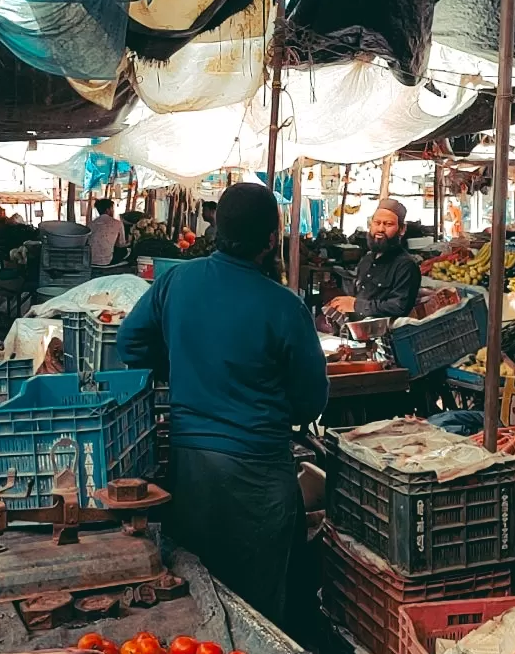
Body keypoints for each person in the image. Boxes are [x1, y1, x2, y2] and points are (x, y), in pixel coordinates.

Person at [116, 182, 328, 626]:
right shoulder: (285, 307)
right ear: (271, 240)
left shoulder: (176, 281)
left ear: (215, 226)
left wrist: (180, 367)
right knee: (261, 612)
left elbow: (130, 342)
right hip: (259, 475)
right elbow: (311, 402)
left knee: (198, 599)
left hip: (191, 469)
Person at [327, 199, 422, 320]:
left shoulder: (406, 266)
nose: (381, 229)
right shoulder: (366, 260)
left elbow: (398, 307)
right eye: (377, 223)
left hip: (384, 336)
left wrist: (356, 305)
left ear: (402, 229)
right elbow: (358, 295)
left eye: (388, 224)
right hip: (356, 332)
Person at [88, 198, 126, 267]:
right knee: (124, 251)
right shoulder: (117, 223)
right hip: (107, 261)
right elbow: (121, 244)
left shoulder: (91, 224)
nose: (113, 211)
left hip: (90, 260)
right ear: (108, 210)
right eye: (112, 209)